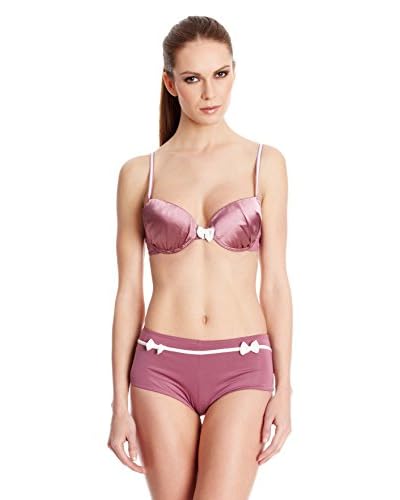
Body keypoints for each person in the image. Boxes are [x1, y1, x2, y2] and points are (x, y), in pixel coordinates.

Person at [107, 15, 293, 500]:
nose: (210, 92)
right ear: (170, 83)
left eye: (221, 74)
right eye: (193, 78)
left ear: (234, 72)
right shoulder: (140, 173)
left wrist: (286, 389)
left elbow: (275, 283)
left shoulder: (265, 163)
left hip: (243, 364)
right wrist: (118, 404)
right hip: (160, 365)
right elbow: (128, 293)